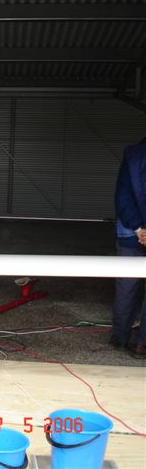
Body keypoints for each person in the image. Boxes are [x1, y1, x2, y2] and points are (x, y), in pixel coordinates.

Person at [111, 137, 146, 358]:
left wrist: (139, 229)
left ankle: (120, 337)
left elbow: (123, 196)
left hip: (132, 235)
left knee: (126, 286)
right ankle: (143, 344)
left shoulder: (133, 154)